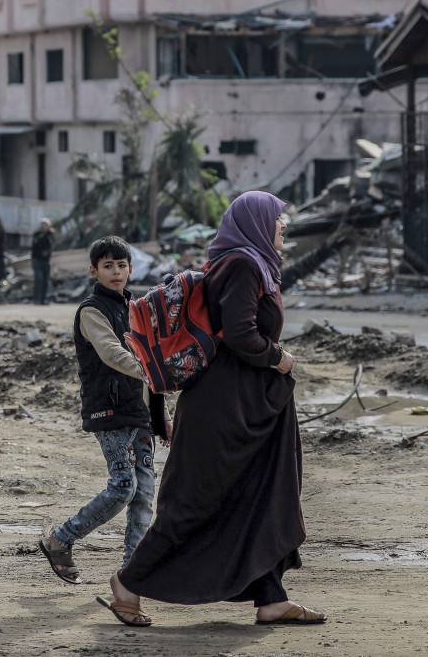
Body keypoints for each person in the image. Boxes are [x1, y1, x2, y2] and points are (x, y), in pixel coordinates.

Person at [97, 191, 326, 628]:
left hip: (251, 408)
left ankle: (272, 598)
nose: (283, 227)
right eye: (278, 220)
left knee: (263, 496)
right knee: (195, 501)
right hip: (226, 407)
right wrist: (277, 357)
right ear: (257, 222)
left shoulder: (249, 264)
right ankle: (128, 582)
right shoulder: (241, 264)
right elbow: (240, 334)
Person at [38, 236, 171, 585]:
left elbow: (152, 361)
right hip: (109, 412)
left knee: (143, 494)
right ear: (94, 271)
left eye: (122, 265)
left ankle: (131, 575)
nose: (116, 272)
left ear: (131, 268)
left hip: (140, 413)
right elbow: (112, 353)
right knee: (123, 487)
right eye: (108, 266)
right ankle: (60, 539)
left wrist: (162, 417)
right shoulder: (91, 310)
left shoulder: (138, 310)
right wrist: (149, 371)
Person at [30, 218, 55, 305]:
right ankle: (36, 299)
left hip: (46, 260)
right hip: (36, 259)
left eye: (45, 225)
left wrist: (48, 234)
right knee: (39, 278)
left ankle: (42, 300)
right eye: (42, 225)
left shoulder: (50, 235)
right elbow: (37, 244)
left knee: (45, 280)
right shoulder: (36, 234)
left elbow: (51, 245)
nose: (43, 227)